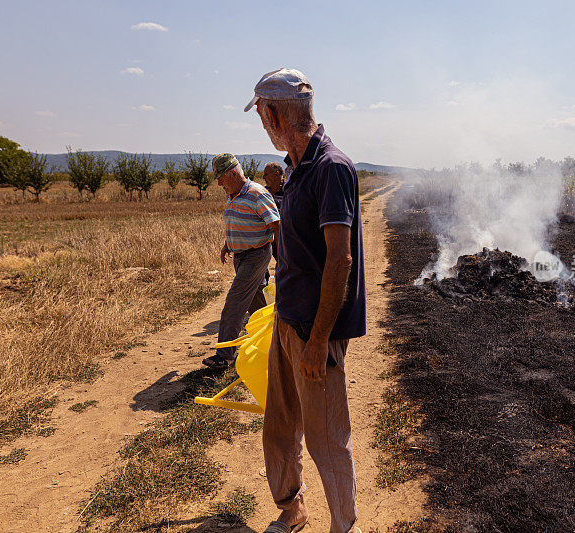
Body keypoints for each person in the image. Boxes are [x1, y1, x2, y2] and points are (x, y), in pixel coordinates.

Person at [245, 68, 365, 533]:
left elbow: (340, 260)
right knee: (280, 427)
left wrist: (318, 341)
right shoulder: (295, 168)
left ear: (274, 113)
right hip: (288, 320)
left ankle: (344, 527)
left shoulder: (331, 168)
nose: (261, 123)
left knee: (327, 438)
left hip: (317, 332)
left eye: (260, 114)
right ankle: (293, 511)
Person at [202, 153, 280, 371]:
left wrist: (285, 257)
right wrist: (228, 244)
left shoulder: (257, 193)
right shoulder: (232, 194)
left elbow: (276, 225)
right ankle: (276, 343)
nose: (218, 183)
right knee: (255, 306)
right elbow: (235, 220)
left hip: (256, 256)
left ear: (234, 173)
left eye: (221, 178)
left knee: (234, 303)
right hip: (240, 256)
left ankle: (223, 355)